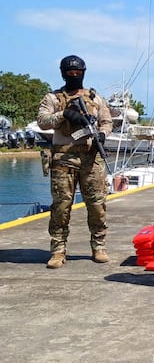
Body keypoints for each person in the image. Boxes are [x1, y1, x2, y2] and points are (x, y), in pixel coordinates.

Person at [37, 55, 113, 269]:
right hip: (63, 159)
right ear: (62, 73)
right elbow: (43, 121)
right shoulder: (52, 98)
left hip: (91, 158)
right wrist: (65, 115)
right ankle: (58, 250)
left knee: (97, 205)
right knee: (61, 207)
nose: (73, 76)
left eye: (77, 73)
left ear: (83, 73)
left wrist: (103, 134)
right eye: (69, 73)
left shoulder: (95, 98)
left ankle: (99, 246)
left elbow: (107, 122)